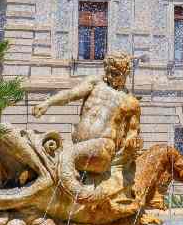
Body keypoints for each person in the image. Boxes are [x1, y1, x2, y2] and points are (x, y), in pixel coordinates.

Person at [32, 52, 141, 201]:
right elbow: (71, 94)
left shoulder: (131, 101)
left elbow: (133, 133)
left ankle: (81, 196)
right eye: (108, 72)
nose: (110, 76)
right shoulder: (95, 83)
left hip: (103, 148)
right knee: (48, 159)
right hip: (81, 146)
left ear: (126, 73)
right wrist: (48, 103)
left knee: (66, 156)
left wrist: (131, 142)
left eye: (115, 74)